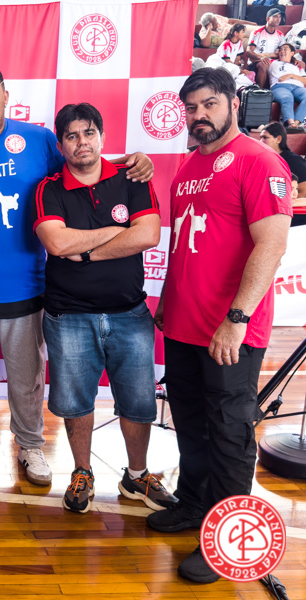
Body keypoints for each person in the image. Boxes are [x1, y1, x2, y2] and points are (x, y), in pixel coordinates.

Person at [0, 63, 154, 484]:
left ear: (5, 96)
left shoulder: (40, 139)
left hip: (30, 290)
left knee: (28, 382)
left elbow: (84, 166)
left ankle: (30, 446)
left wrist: (132, 161)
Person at [150, 67, 292, 583]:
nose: (199, 115)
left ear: (234, 103)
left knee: (230, 433)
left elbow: (271, 245)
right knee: (189, 422)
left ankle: (226, 540)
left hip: (230, 329)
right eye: (191, 108)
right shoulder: (189, 165)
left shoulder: (260, 161)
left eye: (209, 104)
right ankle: (193, 504)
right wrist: (168, 300)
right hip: (184, 323)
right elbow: (185, 243)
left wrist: (237, 318)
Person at [32, 103, 177, 514]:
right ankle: (82, 472)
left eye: (89, 133)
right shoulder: (48, 188)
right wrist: (116, 231)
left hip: (130, 313)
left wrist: (87, 253)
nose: (82, 142)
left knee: (138, 402)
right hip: (68, 316)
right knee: (76, 402)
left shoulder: (132, 177)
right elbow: (57, 243)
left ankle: (137, 475)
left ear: (102, 136)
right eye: (72, 136)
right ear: (60, 144)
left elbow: (147, 235)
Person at [259, 121, 306, 198]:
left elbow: (304, 193)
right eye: (260, 138)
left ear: (278, 139)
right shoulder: (261, 160)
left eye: (265, 138)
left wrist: (281, 201)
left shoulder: (295, 161)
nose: (260, 141)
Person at [245, 8, 286, 88]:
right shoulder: (257, 32)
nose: (278, 19)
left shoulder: (281, 35)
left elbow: (282, 53)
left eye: (280, 17)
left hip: (273, 61)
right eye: (275, 16)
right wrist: (261, 57)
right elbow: (249, 52)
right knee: (263, 65)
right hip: (256, 61)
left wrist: (268, 55)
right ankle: (260, 91)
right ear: (267, 19)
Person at [269, 43, 306, 129]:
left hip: (298, 88)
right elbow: (257, 57)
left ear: (292, 53)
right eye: (280, 50)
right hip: (279, 87)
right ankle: (290, 123)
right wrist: (272, 54)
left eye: (285, 49)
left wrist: (291, 75)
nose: (282, 51)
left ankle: (296, 123)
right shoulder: (272, 62)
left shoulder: (297, 66)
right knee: (287, 97)